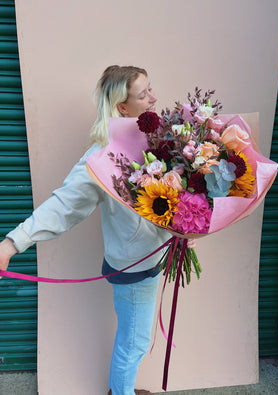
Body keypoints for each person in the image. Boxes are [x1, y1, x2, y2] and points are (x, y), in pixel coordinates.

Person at [0, 65, 195, 395]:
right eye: (144, 94)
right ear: (122, 106)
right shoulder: (103, 157)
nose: (154, 98)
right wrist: (11, 243)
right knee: (134, 343)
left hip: (151, 258)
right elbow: (64, 205)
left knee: (135, 338)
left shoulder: (157, 142)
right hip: (134, 265)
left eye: (151, 89)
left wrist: (181, 228)